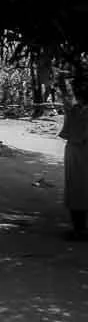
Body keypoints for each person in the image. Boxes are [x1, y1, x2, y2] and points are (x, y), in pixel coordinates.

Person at [60, 69, 88, 240]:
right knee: (79, 189)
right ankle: (80, 229)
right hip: (78, 151)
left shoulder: (75, 110)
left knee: (76, 189)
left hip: (76, 152)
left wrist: (63, 81)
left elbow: (66, 96)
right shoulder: (75, 109)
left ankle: (79, 229)